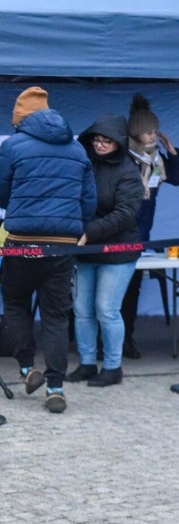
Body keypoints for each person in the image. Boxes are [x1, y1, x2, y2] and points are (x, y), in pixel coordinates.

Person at [0, 86, 96, 414]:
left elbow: (0, 194)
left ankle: (27, 368)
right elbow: (89, 202)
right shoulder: (78, 149)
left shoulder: (12, 146)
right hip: (62, 245)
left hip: (21, 240)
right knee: (55, 316)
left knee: (15, 302)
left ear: (20, 119)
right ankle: (55, 387)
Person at [66, 116, 142, 388]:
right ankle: (87, 363)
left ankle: (112, 367)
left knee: (106, 309)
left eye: (106, 140)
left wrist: (89, 233)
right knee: (82, 309)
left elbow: (125, 214)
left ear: (118, 143)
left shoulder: (128, 171)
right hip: (87, 250)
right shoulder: (85, 164)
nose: (99, 144)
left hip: (118, 251)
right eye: (96, 139)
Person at [120, 94, 179, 359]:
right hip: (119, 231)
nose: (153, 136)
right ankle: (105, 342)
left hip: (143, 235)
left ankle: (126, 341)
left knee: (133, 287)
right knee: (113, 291)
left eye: (155, 131)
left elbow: (176, 179)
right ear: (135, 134)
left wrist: (173, 152)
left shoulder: (157, 161)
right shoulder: (123, 159)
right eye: (148, 132)